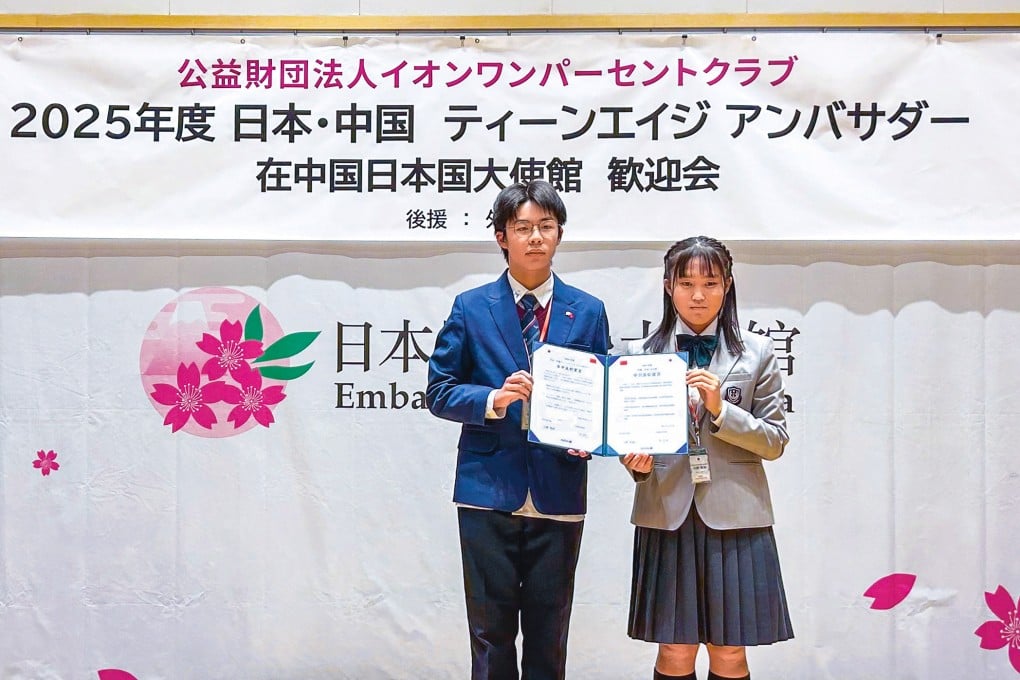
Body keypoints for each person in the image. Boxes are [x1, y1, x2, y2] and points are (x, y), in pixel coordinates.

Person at [426, 180, 611, 680]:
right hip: (488, 490)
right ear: (501, 237)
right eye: (522, 228)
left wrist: (596, 431)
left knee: (551, 634)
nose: (535, 238)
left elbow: (602, 394)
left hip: (559, 487)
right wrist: (493, 399)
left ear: (559, 235)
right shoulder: (471, 306)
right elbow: (438, 392)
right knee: (490, 634)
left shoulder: (588, 309)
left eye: (545, 227)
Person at [619, 237, 793, 680]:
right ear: (667, 286)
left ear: (728, 285)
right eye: (687, 282)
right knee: (674, 652)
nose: (698, 294)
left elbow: (774, 440)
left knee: (729, 653)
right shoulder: (638, 355)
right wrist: (634, 465)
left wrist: (721, 410)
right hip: (666, 512)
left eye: (711, 282)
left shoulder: (758, 352)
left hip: (737, 517)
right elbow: (629, 439)